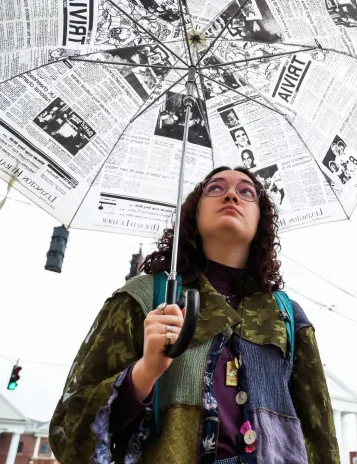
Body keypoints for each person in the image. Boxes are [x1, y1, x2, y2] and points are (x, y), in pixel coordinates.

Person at [49, 167, 340, 464]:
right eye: (215, 188)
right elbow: (69, 432)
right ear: (194, 212)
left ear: (261, 219)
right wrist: (145, 372)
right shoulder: (144, 297)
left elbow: (322, 441)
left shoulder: (288, 315)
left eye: (246, 192)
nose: (230, 195)